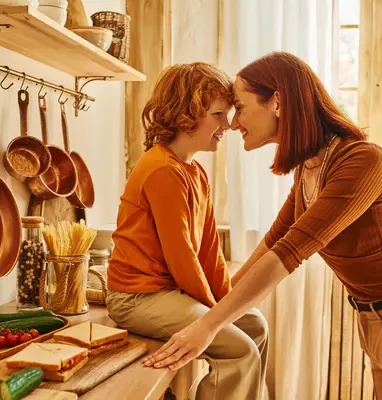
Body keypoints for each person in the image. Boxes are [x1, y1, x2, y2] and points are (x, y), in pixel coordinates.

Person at [142, 51, 382, 400]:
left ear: (278, 102)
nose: (234, 123)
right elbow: (274, 240)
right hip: (375, 323)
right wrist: (213, 309)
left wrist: (208, 325)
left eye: (240, 107)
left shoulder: (362, 160)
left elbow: (289, 253)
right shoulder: (309, 169)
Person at [105, 62, 269, 400]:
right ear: (186, 115)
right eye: (219, 115)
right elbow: (183, 260)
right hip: (137, 297)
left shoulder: (195, 172)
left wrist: (227, 305)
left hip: (168, 293)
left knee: (255, 326)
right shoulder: (161, 170)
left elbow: (209, 251)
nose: (229, 125)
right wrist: (216, 316)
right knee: (240, 350)